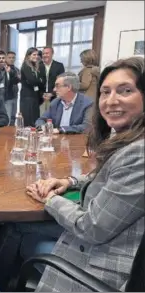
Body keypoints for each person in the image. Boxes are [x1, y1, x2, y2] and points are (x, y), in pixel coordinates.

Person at [24, 56, 144, 291]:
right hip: (110, 237)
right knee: (19, 228)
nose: (111, 101)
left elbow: (92, 227)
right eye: (105, 92)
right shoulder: (131, 141)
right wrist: (68, 181)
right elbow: (109, 176)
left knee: (17, 232)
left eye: (125, 90)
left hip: (104, 264)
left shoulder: (139, 154)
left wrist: (50, 199)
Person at [0, 50, 20, 125]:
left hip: (8, 98)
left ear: (5, 59)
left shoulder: (9, 69)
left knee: (9, 119)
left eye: (3, 58)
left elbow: (16, 80)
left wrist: (10, 72)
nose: (1, 60)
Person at [19, 47, 46, 126]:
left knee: (35, 118)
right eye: (34, 54)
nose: (36, 56)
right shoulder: (25, 66)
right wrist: (39, 81)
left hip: (35, 96)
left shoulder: (36, 66)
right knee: (28, 119)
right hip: (27, 97)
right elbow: (32, 81)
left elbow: (43, 80)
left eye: (37, 55)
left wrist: (38, 81)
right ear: (28, 56)